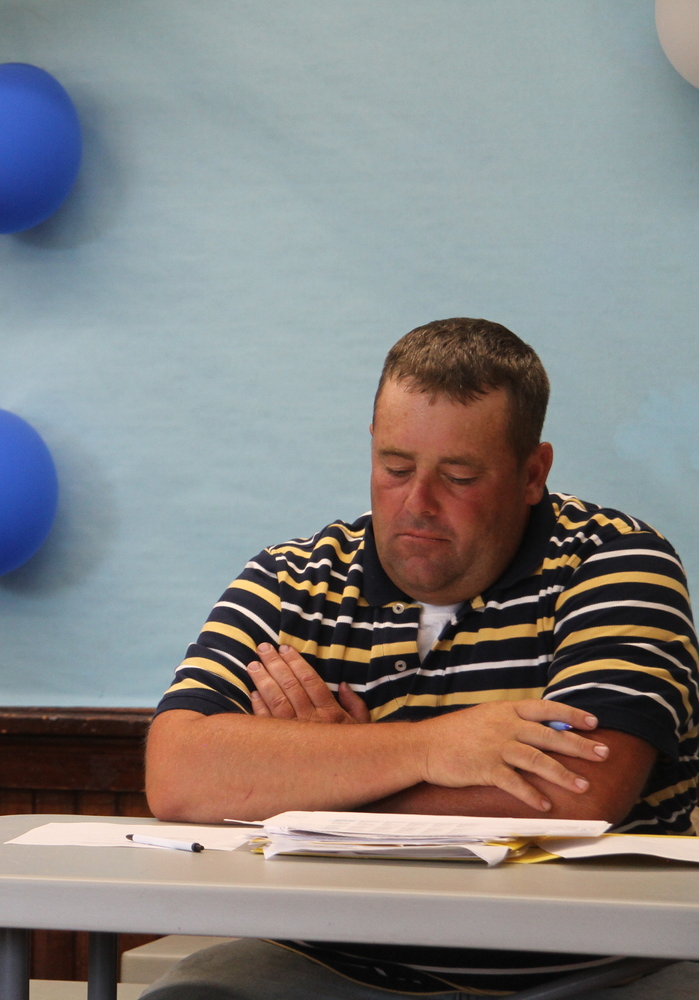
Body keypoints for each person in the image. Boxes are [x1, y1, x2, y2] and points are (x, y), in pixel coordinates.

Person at [144, 319, 699, 999]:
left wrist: (330, 773)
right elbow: (179, 774)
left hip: (601, 970)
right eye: (394, 467)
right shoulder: (291, 580)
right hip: (331, 962)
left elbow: (570, 798)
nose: (417, 504)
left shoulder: (616, 564)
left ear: (532, 474)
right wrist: (431, 748)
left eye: (459, 476)